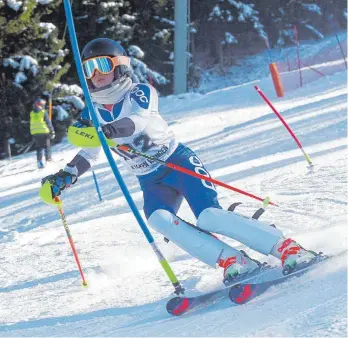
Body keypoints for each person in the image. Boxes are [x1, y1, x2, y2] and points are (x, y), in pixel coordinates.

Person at [41, 38, 317, 284]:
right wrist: (65, 176)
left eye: (102, 64)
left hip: (177, 162)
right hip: (149, 178)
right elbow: (89, 152)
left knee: (209, 216)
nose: (97, 74)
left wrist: (107, 131)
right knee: (159, 220)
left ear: (119, 65)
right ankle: (233, 260)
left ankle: (288, 248)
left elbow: (137, 121)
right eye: (89, 69)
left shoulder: (139, 91)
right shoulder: (93, 111)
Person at [30, 98, 55, 168]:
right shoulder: (43, 112)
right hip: (44, 131)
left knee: (39, 147)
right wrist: (52, 131)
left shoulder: (31, 113)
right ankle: (48, 159)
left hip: (35, 132)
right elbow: (48, 123)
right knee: (47, 146)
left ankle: (39, 162)